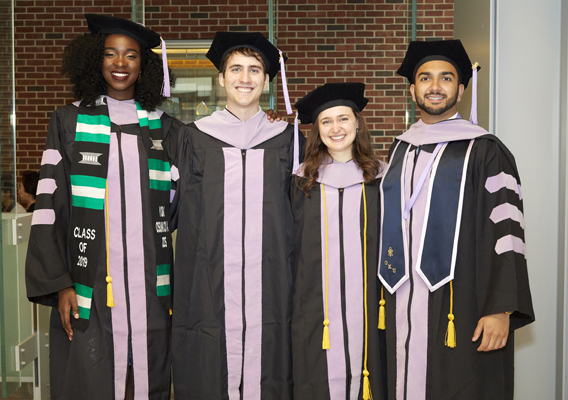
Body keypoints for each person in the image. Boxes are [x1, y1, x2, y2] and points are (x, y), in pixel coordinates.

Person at [25, 14, 179, 400]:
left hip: (148, 283)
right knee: (89, 378)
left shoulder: (166, 128)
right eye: (111, 54)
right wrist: (60, 282)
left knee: (145, 374)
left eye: (130, 55)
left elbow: (184, 201)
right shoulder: (69, 121)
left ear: (144, 65)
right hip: (88, 281)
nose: (120, 63)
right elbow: (48, 206)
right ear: (96, 60)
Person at [378, 39, 535, 399]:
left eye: (445, 78)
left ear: (460, 89)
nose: (435, 86)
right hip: (402, 296)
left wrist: (502, 308)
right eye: (425, 78)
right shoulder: (400, 148)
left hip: (462, 300)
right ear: (413, 88)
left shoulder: (485, 149)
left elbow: (508, 230)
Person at [170, 31, 303, 399]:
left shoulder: (288, 141)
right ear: (221, 78)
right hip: (208, 283)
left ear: (266, 80)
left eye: (255, 70)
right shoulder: (194, 138)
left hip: (274, 283)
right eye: (236, 69)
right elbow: (169, 208)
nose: (245, 78)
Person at [291, 82, 386, 400]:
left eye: (343, 118)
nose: (336, 128)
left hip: (371, 302)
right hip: (315, 305)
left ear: (357, 123)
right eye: (326, 121)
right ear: (317, 129)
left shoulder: (382, 179)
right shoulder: (301, 181)